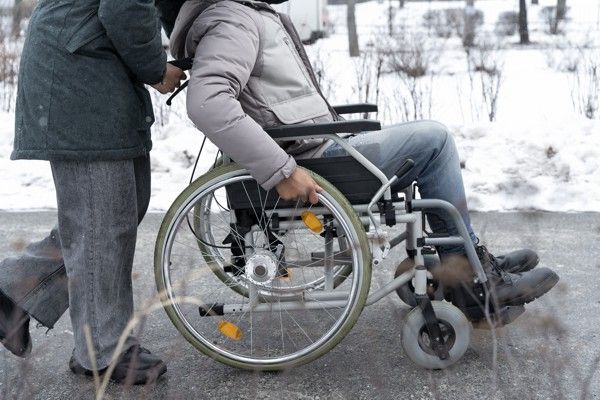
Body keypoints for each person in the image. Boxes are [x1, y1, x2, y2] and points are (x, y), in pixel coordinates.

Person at [166, 0, 559, 318]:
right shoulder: (231, 20)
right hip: (312, 159)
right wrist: (282, 171)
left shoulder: (242, 14)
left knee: (427, 142)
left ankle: (467, 260)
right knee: (434, 141)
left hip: (316, 146)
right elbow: (208, 104)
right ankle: (471, 277)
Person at [0, 0, 186, 385]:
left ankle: (13, 292)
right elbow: (124, 8)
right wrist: (155, 68)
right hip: (79, 72)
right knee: (101, 221)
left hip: (94, 67)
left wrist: (191, 38)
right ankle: (102, 348)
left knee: (115, 210)